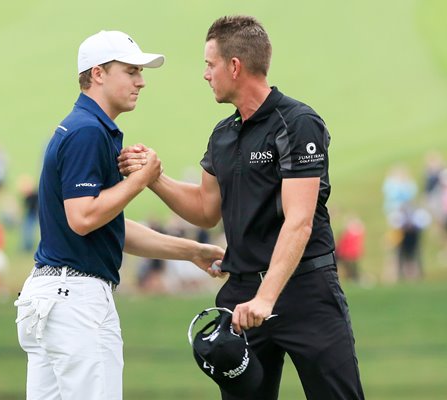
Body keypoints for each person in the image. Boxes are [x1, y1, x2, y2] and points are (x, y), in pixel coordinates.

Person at [119, 15, 364, 400]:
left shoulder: (298, 124)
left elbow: (299, 222)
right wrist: (154, 177)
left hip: (305, 292)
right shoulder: (224, 134)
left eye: (209, 64)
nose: (205, 74)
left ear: (235, 66)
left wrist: (267, 297)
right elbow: (204, 209)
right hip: (242, 297)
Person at [14, 30, 225, 400]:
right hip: (77, 303)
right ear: (97, 74)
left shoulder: (85, 127)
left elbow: (110, 227)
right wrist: (141, 180)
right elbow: (83, 217)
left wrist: (192, 250)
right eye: (130, 71)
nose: (141, 81)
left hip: (51, 297)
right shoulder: (87, 132)